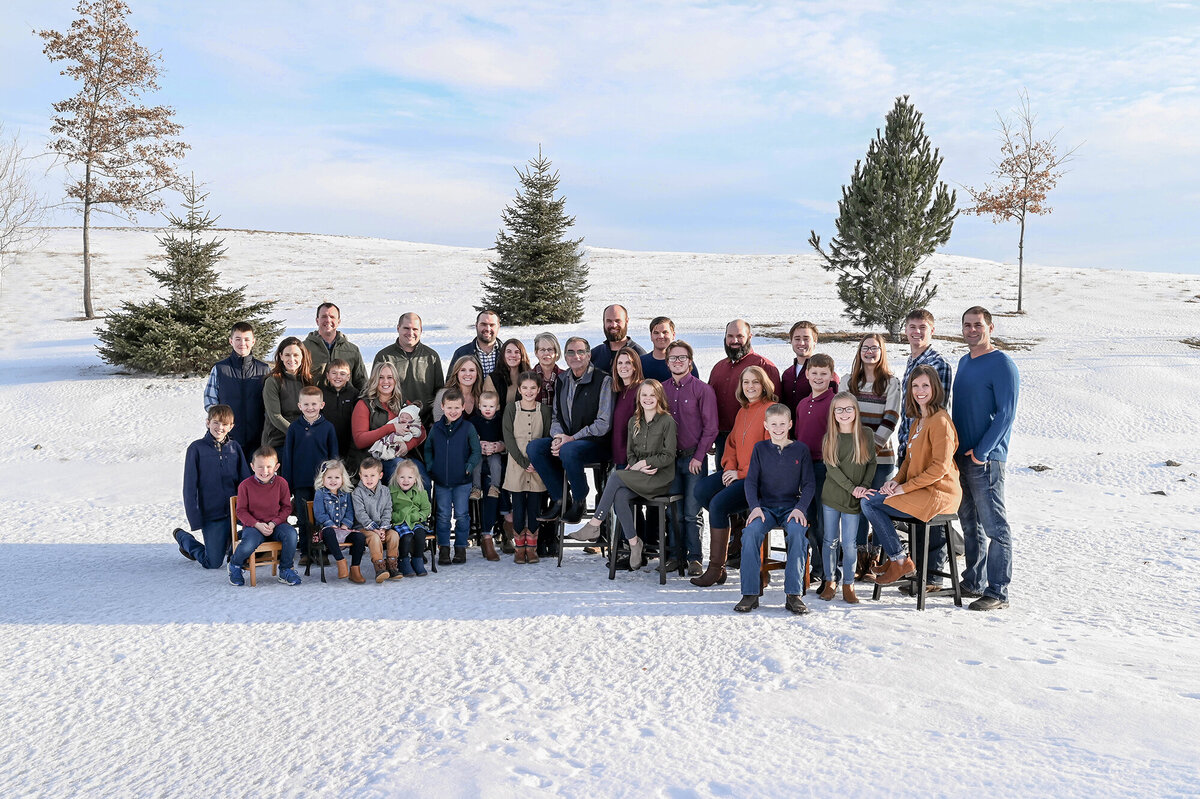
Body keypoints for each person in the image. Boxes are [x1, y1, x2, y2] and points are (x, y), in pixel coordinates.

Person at [860, 365, 963, 587]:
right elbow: (908, 461)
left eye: (925, 385)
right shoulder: (919, 420)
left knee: (870, 504)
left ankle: (899, 560)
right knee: (869, 500)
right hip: (920, 489)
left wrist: (904, 488)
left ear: (935, 387)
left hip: (938, 493)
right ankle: (899, 558)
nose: (920, 390)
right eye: (915, 386)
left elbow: (939, 468)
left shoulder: (940, 421)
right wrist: (894, 482)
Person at [567, 380, 678, 571]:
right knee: (619, 495)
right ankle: (635, 543)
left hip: (659, 477)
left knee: (617, 476)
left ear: (659, 397)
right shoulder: (633, 422)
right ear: (639, 398)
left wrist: (644, 464)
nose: (648, 399)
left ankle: (594, 524)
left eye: (652, 395)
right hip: (640, 475)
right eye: (644, 395)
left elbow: (669, 455)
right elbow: (630, 455)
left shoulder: (667, 421)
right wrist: (637, 466)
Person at [952, 306, 1020, 611]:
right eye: (967, 325)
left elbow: (1006, 414)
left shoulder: (1002, 363)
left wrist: (982, 453)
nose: (971, 330)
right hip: (961, 456)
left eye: (978, 325)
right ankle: (974, 581)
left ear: (990, 327)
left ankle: (998, 591)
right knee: (970, 523)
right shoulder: (964, 362)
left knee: (995, 526)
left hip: (986, 459)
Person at [692, 366, 775, 588]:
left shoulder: (771, 411)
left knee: (719, 505)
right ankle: (731, 524)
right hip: (737, 473)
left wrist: (740, 474)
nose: (750, 386)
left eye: (755, 382)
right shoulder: (743, 411)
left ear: (764, 384)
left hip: (758, 480)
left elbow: (770, 456)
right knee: (701, 491)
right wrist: (730, 467)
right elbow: (731, 446)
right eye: (746, 382)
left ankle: (716, 568)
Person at [734, 403, 815, 615]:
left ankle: (793, 595)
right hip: (765, 508)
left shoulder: (801, 449)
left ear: (790, 424)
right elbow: (750, 482)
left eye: (782, 424)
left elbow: (809, 484)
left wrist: (800, 508)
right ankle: (750, 593)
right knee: (750, 532)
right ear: (766, 425)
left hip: (791, 508)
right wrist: (754, 507)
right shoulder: (760, 449)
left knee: (798, 534)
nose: (778, 428)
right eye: (773, 424)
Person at [527, 337, 614, 525]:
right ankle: (560, 498)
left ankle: (579, 499)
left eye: (580, 352)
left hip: (596, 443)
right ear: (565, 357)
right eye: (571, 352)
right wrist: (558, 437)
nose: (576, 356)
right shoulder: (562, 379)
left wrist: (572, 438)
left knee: (569, 450)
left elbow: (603, 423)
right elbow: (556, 416)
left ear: (589, 355)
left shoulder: (603, 380)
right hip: (568, 441)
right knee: (535, 448)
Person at [843, 334, 902, 578]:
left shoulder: (891, 383)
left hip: (882, 458)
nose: (870, 352)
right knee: (858, 506)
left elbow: (891, 419)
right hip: (855, 456)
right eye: (865, 348)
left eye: (875, 348)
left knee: (877, 507)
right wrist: (854, 452)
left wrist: (871, 450)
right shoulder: (849, 382)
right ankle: (860, 558)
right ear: (859, 352)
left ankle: (876, 558)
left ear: (881, 352)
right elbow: (842, 417)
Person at [662, 341, 719, 579]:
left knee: (692, 512)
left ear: (690, 361)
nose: (677, 362)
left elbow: (711, 427)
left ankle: (694, 558)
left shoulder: (702, 390)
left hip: (693, 459)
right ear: (667, 363)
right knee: (672, 511)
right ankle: (675, 557)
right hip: (668, 461)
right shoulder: (661, 389)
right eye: (673, 358)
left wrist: (698, 456)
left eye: (682, 358)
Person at [174, 404, 250, 569]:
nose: (220, 427)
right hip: (211, 514)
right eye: (216, 422)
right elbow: (189, 488)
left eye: (224, 424)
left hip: (234, 513)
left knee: (252, 537)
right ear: (208, 422)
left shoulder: (235, 448)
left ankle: (228, 544)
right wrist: (195, 518)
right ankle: (185, 539)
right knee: (213, 563)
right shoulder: (196, 449)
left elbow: (246, 481)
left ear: (231, 426)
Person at [819, 393, 877, 604]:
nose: (844, 413)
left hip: (855, 498)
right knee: (830, 541)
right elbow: (832, 469)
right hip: (832, 497)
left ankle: (848, 584)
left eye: (848, 408)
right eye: (839, 409)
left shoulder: (866, 435)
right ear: (833, 414)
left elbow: (872, 463)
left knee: (850, 543)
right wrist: (853, 488)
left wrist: (864, 487)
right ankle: (830, 581)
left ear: (856, 410)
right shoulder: (829, 438)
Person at [708, 319, 781, 463]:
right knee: (724, 481)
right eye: (730, 336)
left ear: (749, 337)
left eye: (740, 336)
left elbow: (776, 408)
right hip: (723, 441)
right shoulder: (718, 368)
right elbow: (709, 404)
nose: (734, 340)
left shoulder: (764, 366)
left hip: (754, 441)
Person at [792, 353, 836, 591]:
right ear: (807, 374)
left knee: (822, 522)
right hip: (803, 468)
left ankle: (825, 571)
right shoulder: (802, 404)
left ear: (831, 376)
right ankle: (813, 568)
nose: (818, 377)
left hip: (825, 468)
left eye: (824, 374)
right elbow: (799, 437)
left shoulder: (834, 403)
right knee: (807, 518)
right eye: (814, 373)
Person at [426, 389, 485, 564]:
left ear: (463, 407)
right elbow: (428, 449)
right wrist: (431, 466)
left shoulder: (468, 428)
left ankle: (460, 548)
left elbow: (476, 451)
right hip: (442, 481)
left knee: (462, 515)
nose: (453, 411)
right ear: (443, 407)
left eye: (457, 408)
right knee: (443, 516)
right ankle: (444, 549)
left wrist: (469, 467)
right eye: (449, 407)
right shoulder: (436, 428)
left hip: (462, 481)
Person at [230, 446, 301, 587]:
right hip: (254, 526)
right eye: (260, 467)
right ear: (252, 466)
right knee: (248, 543)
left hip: (277, 524)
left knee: (291, 534)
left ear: (276, 466)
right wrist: (257, 524)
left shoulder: (282, 483)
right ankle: (235, 565)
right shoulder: (245, 486)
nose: (265, 471)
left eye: (269, 466)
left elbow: (287, 508)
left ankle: (285, 569)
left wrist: (274, 523)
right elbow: (241, 511)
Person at [282, 385, 340, 555]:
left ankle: (324, 549)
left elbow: (334, 457)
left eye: (314, 404)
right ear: (299, 406)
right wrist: (288, 484)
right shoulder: (294, 428)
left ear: (322, 405)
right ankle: (306, 551)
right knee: (303, 518)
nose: (310, 408)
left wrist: (334, 482)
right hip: (301, 481)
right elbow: (287, 458)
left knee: (323, 516)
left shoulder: (328, 427)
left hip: (323, 483)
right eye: (306, 405)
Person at [203, 321, 269, 464]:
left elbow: (270, 402)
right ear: (231, 341)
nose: (242, 343)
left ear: (253, 341)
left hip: (257, 438)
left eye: (246, 339)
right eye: (238, 339)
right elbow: (210, 400)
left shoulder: (264, 370)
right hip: (227, 439)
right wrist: (220, 427)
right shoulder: (220, 369)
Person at [503, 371, 551, 564]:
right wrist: (523, 462)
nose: (529, 392)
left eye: (533, 388)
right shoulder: (511, 409)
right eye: (525, 388)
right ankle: (519, 547)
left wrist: (539, 462)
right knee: (519, 506)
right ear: (519, 389)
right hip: (517, 465)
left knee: (534, 507)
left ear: (538, 389)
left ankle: (532, 548)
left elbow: (547, 437)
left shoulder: (544, 411)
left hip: (537, 467)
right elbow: (509, 439)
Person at [351, 362, 427, 484]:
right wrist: (391, 428)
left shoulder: (403, 402)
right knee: (399, 471)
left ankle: (424, 503)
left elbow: (421, 431)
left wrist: (408, 445)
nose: (385, 381)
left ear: (395, 380)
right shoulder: (364, 404)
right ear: (374, 380)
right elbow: (360, 440)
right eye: (381, 377)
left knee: (423, 479)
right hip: (376, 459)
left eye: (389, 377)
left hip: (403, 455)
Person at [897, 309, 953, 461]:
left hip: (925, 451)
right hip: (906, 447)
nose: (917, 331)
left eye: (923, 327)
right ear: (906, 330)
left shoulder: (938, 364)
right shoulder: (912, 361)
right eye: (912, 327)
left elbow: (935, 410)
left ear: (932, 330)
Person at [373, 312, 444, 427]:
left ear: (421, 330)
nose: (410, 333)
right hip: (393, 423)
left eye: (415, 329)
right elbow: (375, 391)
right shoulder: (384, 356)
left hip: (425, 423)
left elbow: (439, 392)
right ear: (398, 328)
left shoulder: (431, 357)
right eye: (406, 328)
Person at [351, 456, 402, 583]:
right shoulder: (357, 493)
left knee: (394, 535)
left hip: (382, 528)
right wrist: (375, 530)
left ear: (380, 475)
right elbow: (360, 514)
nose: (369, 479)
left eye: (372, 475)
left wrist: (383, 528)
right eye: (365, 475)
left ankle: (392, 565)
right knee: (373, 538)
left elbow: (387, 510)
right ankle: (379, 566)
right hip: (363, 528)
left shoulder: (385, 491)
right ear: (360, 475)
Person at [261, 337, 313, 454]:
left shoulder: (308, 381)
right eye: (287, 355)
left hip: (303, 441)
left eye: (296, 355)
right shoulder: (273, 381)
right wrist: (297, 433)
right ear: (281, 356)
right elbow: (275, 416)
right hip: (278, 442)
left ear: (302, 357)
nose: (292, 359)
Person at [312, 459, 361, 581]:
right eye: (329, 477)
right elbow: (319, 513)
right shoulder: (320, 493)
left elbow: (350, 512)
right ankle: (341, 562)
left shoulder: (346, 493)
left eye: (336, 477)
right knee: (329, 531)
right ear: (322, 479)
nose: (333, 481)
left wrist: (345, 524)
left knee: (360, 537)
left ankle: (355, 569)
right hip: (326, 531)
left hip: (343, 530)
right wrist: (331, 524)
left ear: (343, 479)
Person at [779, 321, 838, 417]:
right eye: (797, 339)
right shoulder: (787, 374)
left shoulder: (826, 375)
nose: (801, 343)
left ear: (815, 341)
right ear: (791, 341)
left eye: (806, 339)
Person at [303, 302, 367, 390]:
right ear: (317, 320)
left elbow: (362, 382)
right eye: (324, 316)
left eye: (332, 317)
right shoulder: (304, 348)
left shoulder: (352, 350)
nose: (328, 320)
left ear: (338, 321)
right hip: (313, 402)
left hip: (346, 402)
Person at [470, 391, 506, 544]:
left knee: (496, 464)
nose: (487, 409)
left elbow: (503, 437)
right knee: (476, 465)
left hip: (494, 451)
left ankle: (495, 487)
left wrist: (497, 445)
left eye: (491, 406)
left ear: (497, 407)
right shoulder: (475, 420)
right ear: (479, 406)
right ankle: (476, 488)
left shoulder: (499, 421)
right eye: (484, 406)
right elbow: (471, 436)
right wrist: (478, 444)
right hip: (479, 452)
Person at [389, 458, 432, 577]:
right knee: (406, 536)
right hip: (399, 522)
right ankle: (403, 560)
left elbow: (426, 509)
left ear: (415, 479)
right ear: (396, 477)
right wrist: (397, 517)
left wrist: (419, 517)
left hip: (415, 520)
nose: (406, 480)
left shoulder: (421, 492)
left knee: (420, 534)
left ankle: (417, 558)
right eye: (402, 477)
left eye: (410, 477)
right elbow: (388, 510)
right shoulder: (391, 492)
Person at [319, 358, 360, 470]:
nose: (338, 377)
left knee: (345, 469)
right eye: (334, 373)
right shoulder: (322, 393)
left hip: (346, 440)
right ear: (327, 375)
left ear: (348, 377)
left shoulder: (354, 394)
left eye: (342, 373)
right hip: (326, 440)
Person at [609, 348, 645, 468]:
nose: (623, 366)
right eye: (620, 363)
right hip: (618, 457)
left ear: (635, 366)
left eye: (628, 363)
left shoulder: (642, 389)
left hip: (633, 460)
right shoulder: (618, 391)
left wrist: (635, 458)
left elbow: (647, 427)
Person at [591, 304, 647, 374]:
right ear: (603, 322)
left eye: (618, 321)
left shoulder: (639, 355)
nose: (613, 325)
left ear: (626, 321)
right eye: (609, 321)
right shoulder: (595, 354)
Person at [434, 355, 492, 421]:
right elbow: (438, 424)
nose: (467, 374)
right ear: (457, 373)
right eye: (463, 370)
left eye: (471, 370)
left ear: (477, 374)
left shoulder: (481, 396)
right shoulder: (444, 395)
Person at [640, 316, 698, 382]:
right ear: (651, 336)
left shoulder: (684, 362)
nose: (661, 336)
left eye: (665, 332)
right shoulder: (641, 363)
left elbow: (696, 387)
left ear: (673, 335)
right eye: (656, 333)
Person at [450, 310, 502, 382]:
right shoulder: (462, 353)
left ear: (498, 327)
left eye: (492, 325)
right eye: (483, 324)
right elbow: (451, 383)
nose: (487, 329)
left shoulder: (508, 354)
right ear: (476, 325)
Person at [490, 338, 532, 409]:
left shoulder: (530, 377)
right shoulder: (492, 379)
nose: (513, 355)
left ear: (522, 355)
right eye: (509, 351)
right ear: (503, 354)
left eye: (517, 352)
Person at [532, 332, 564, 408]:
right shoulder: (527, 377)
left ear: (556, 352)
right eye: (542, 350)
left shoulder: (565, 377)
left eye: (550, 349)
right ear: (536, 353)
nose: (546, 353)